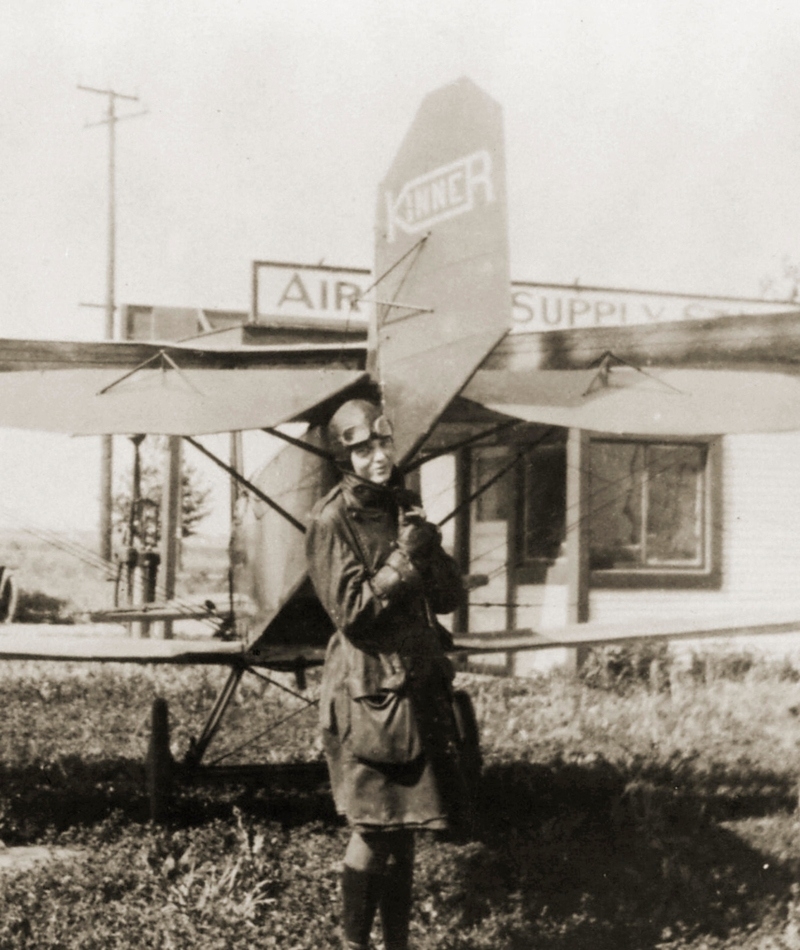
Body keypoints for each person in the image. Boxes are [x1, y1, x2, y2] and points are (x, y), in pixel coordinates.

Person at [305, 398, 471, 950]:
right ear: (343, 456)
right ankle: (353, 945)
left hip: (417, 683)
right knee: (373, 832)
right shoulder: (330, 520)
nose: (378, 458)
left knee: (407, 834)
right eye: (363, 449)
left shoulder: (405, 505)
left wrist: (431, 550)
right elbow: (352, 614)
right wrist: (402, 559)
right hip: (368, 690)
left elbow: (447, 598)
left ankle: (397, 945)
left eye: (384, 444)